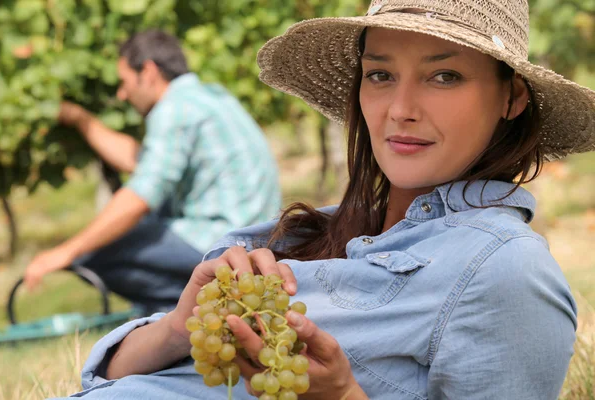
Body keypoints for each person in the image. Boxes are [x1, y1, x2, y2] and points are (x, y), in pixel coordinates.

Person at [53, 0, 595, 399]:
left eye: (444, 75)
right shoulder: (314, 232)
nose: (399, 108)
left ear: (512, 96)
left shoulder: (506, 270)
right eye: (380, 74)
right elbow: (113, 375)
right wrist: (176, 329)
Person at [24, 30, 282, 313]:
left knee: (94, 254)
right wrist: (81, 120)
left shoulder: (174, 109)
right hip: (257, 237)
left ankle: (182, 310)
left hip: (221, 241)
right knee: (122, 235)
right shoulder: (208, 96)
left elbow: (140, 195)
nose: (122, 94)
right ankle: (197, 304)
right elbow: (140, 159)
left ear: (147, 71)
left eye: (124, 82)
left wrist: (67, 251)